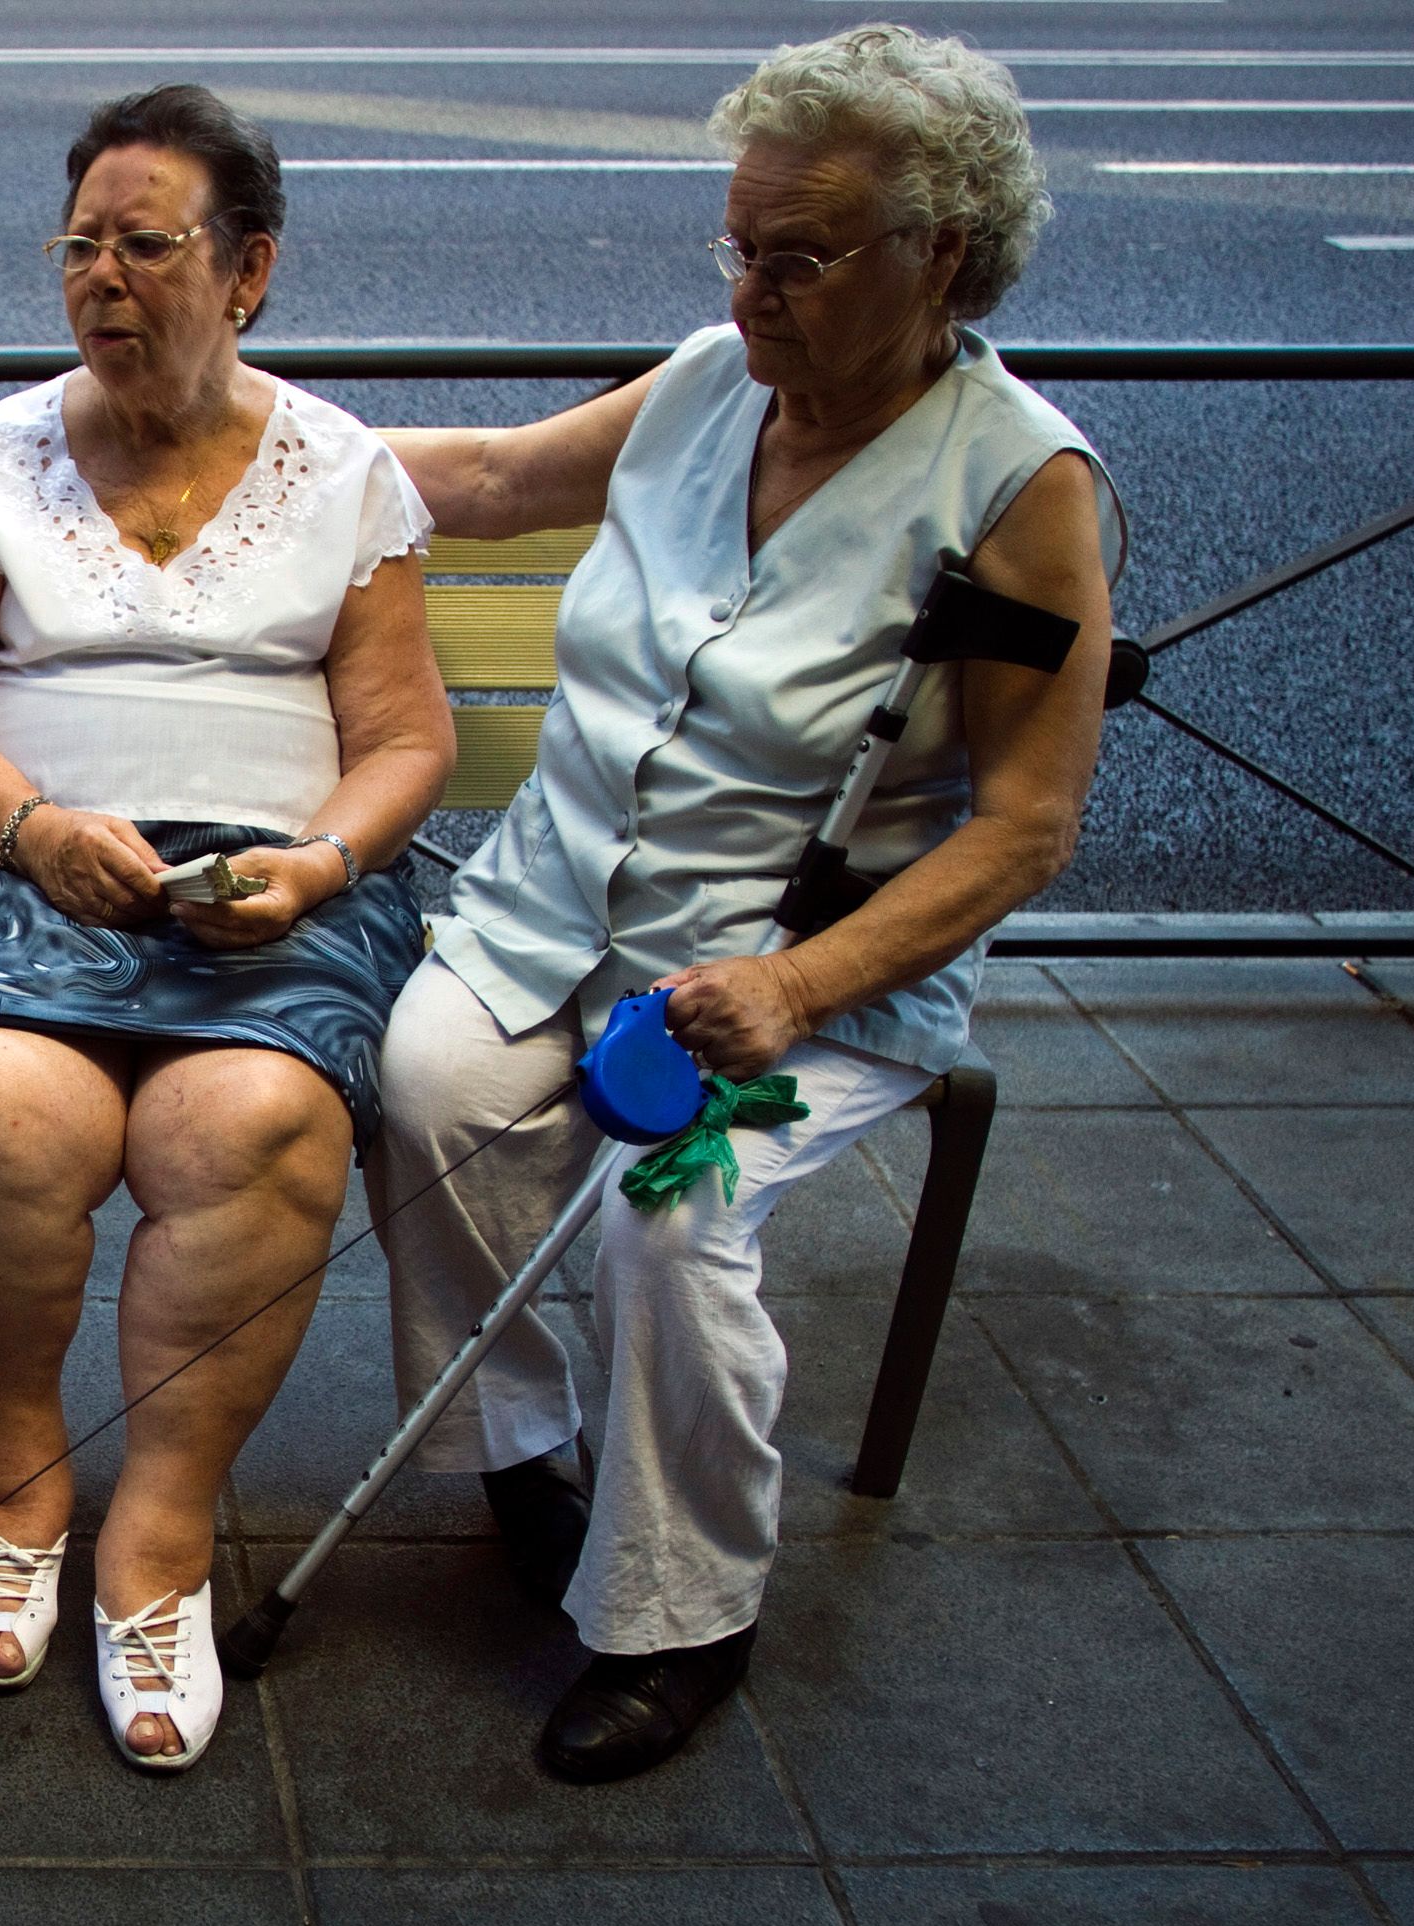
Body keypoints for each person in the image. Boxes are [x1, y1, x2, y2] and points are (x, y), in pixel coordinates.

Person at [377, 23, 1122, 1784]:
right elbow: (486, 483)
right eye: (740, 244)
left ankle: (680, 1609)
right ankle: (527, 1449)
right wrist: (223, 445)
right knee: (424, 1082)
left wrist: (796, 989)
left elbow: (1024, 829)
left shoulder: (1021, 489)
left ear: (940, 253)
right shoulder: (718, 379)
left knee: (666, 1209)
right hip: (553, 913)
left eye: (801, 254)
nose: (756, 286)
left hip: (802, 975)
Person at [0, 85, 456, 1771]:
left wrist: (323, 864)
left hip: (273, 880)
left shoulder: (343, 472)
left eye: (147, 244)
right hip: (22, 857)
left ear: (250, 268)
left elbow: (409, 736)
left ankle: (163, 1527)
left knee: (262, 1119)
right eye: (80, 248)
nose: (103, 279)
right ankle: (15, 1471)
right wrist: (35, 827)